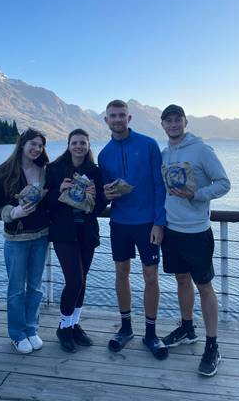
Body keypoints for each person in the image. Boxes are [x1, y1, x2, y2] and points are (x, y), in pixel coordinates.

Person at [160, 104, 231, 376]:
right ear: (163, 125)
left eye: (178, 120)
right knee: (181, 280)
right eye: (168, 121)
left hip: (197, 231)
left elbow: (223, 183)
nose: (174, 124)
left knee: (204, 286)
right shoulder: (165, 154)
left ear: (185, 122)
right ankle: (187, 328)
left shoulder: (202, 150)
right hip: (172, 230)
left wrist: (196, 195)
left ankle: (213, 345)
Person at [98, 100, 168, 360]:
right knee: (121, 273)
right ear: (106, 120)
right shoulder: (104, 154)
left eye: (121, 115)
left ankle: (151, 333)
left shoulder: (148, 145)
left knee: (151, 277)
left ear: (129, 118)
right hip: (119, 222)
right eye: (112, 116)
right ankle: (125, 328)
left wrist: (159, 222)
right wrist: (106, 193)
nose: (117, 119)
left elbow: (160, 186)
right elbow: (105, 193)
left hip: (147, 222)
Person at [0, 128, 49, 354]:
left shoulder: (44, 171)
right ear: (22, 144)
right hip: (16, 240)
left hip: (41, 237)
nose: (37, 149)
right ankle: (17, 334)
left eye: (40, 145)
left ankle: (31, 329)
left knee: (35, 288)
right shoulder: (2, 172)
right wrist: (13, 212)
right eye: (33, 144)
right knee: (15, 290)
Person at [45, 129, 107, 352]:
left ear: (88, 145)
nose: (79, 146)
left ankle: (74, 324)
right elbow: (46, 203)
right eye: (75, 142)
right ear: (68, 144)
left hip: (87, 233)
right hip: (63, 234)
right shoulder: (54, 169)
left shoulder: (95, 172)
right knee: (74, 281)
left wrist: (100, 196)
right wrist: (58, 191)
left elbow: (99, 208)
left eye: (83, 143)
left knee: (83, 281)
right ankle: (63, 327)